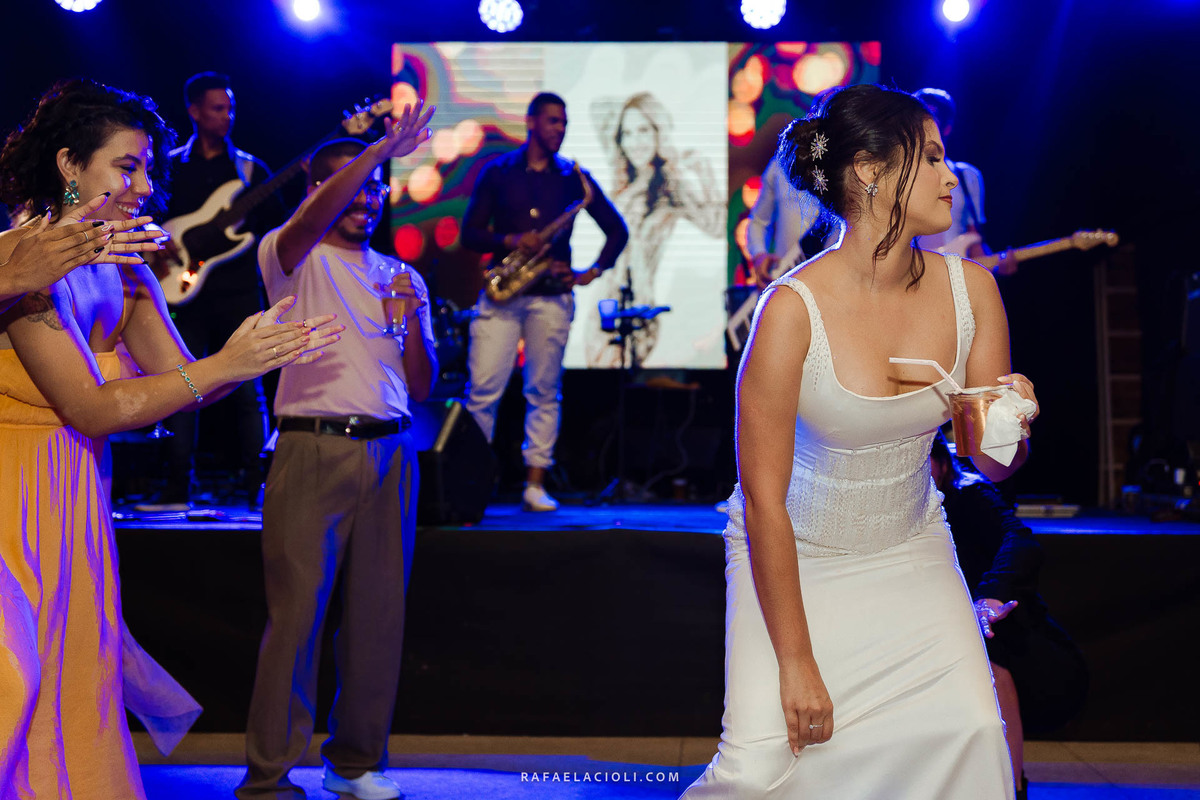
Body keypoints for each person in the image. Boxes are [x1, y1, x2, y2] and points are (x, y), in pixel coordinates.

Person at [680, 83, 1040, 799]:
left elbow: (995, 466)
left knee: (972, 731)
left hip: (911, 549)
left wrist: (1012, 420)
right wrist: (795, 661)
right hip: (793, 559)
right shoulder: (790, 311)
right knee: (758, 774)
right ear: (871, 171)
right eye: (930, 157)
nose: (950, 176)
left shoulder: (973, 292)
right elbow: (763, 503)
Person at [0, 78, 338, 800]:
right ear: (69, 165)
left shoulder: (123, 263)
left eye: (147, 169)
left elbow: (181, 381)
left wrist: (253, 354)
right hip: (10, 495)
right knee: (13, 678)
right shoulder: (22, 261)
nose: (147, 188)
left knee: (71, 672)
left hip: (74, 494)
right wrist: (223, 366)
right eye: (127, 167)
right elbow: (92, 409)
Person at [236, 101, 437, 800]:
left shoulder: (401, 273)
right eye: (353, 186)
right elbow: (314, 215)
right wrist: (375, 151)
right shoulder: (291, 255)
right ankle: (268, 777)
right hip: (312, 445)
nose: (367, 198)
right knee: (297, 618)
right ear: (321, 189)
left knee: (379, 620)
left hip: (391, 452)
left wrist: (410, 319)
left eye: (376, 189)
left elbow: (420, 384)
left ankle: (353, 765)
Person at [462, 92, 628, 512]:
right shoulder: (498, 171)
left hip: (552, 295)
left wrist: (592, 271)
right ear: (531, 122)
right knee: (482, 390)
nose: (560, 129)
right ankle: (471, 480)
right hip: (502, 292)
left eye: (564, 122)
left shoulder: (574, 178)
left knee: (544, 390)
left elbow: (617, 230)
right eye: (553, 121)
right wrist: (511, 240)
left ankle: (534, 484)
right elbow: (469, 233)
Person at [145, 72, 281, 511]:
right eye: (218, 108)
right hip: (181, 292)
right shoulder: (169, 165)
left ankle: (259, 487)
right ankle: (176, 488)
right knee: (179, 384)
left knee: (248, 391)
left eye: (231, 108)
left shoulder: (249, 170)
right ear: (195, 112)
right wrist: (157, 245)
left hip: (237, 292)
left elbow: (278, 231)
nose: (228, 116)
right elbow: (144, 216)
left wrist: (249, 223)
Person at [931, 432, 1088, 800]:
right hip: (932, 624)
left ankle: (1012, 787)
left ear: (941, 462)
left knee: (984, 648)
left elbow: (1020, 540)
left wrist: (990, 593)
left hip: (1007, 635)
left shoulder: (968, 495)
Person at [582, 91, 723, 368]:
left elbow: (716, 227)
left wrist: (705, 173)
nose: (635, 142)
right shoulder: (622, 182)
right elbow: (597, 107)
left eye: (644, 130)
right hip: (603, 306)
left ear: (658, 133)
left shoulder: (669, 187)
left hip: (639, 308)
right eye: (627, 133)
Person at [912, 87, 1017, 276]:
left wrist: (996, 266)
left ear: (947, 128)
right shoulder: (898, 172)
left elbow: (974, 241)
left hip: (954, 277)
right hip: (909, 274)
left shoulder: (966, 176)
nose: (922, 126)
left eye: (931, 119)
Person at [745, 155, 823, 286]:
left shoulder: (839, 158)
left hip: (830, 276)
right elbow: (758, 222)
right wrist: (759, 255)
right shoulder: (778, 165)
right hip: (786, 275)